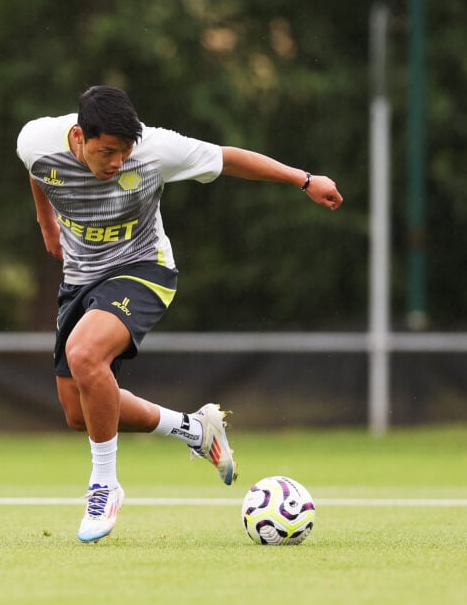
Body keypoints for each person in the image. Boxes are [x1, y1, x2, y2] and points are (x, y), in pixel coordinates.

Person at [17, 85, 343, 543]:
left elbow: (228, 158)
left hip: (142, 269)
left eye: (123, 153)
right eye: (106, 152)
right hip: (79, 279)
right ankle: (194, 429)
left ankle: (104, 486)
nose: (115, 163)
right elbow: (38, 172)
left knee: (85, 354)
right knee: (80, 413)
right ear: (78, 137)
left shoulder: (156, 151)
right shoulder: (36, 141)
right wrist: (45, 221)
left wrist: (304, 181)